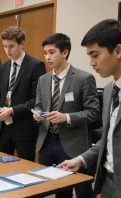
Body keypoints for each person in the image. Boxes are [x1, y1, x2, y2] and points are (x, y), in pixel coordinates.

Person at [57, 19, 121, 198]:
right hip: (107, 184)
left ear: (118, 50)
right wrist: (81, 159)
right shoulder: (109, 91)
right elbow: (109, 139)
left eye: (95, 55)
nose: (91, 63)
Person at [32, 33, 100, 198]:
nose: (47, 57)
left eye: (52, 52)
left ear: (65, 53)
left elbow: (94, 112)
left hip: (73, 144)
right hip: (47, 142)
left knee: (83, 190)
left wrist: (67, 117)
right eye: (45, 53)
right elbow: (39, 104)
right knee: (58, 188)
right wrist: (37, 114)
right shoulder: (43, 79)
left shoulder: (83, 78)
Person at [0, 26, 46, 161]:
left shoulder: (36, 65)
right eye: (5, 46)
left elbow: (37, 99)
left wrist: (12, 110)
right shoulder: (4, 67)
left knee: (25, 169)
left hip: (24, 128)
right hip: (3, 127)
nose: (7, 51)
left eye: (11, 46)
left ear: (22, 44)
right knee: (2, 167)